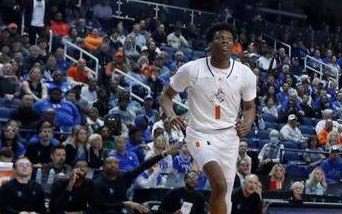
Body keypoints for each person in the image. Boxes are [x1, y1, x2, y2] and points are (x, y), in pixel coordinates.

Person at [160, 24, 257, 214]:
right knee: (219, 185)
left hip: (229, 137)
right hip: (199, 134)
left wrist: (247, 123)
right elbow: (166, 96)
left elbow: (250, 107)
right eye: (220, 38)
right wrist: (171, 115)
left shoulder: (245, 73)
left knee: (225, 194)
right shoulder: (191, 69)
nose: (225, 42)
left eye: (229, 39)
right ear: (210, 43)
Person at [88, 144, 178, 214]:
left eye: (115, 163)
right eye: (109, 163)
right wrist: (126, 204)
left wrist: (164, 154)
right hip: (106, 211)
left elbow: (143, 166)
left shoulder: (123, 177)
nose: (113, 165)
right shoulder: (98, 183)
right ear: (103, 167)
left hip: (122, 209)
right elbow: (100, 206)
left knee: (147, 210)